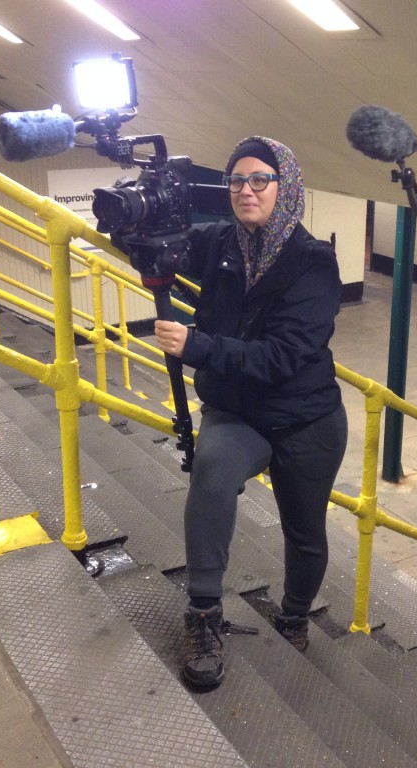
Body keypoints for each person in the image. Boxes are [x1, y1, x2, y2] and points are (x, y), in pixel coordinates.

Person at [149, 136, 348, 688]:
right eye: (236, 180)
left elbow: (284, 356)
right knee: (211, 477)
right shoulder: (218, 243)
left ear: (285, 187)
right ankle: (204, 614)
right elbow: (158, 245)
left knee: (303, 529)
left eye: (260, 179)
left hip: (306, 417)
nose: (245, 190)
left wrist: (200, 347)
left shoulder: (313, 263)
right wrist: (139, 217)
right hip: (238, 411)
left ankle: (294, 615)